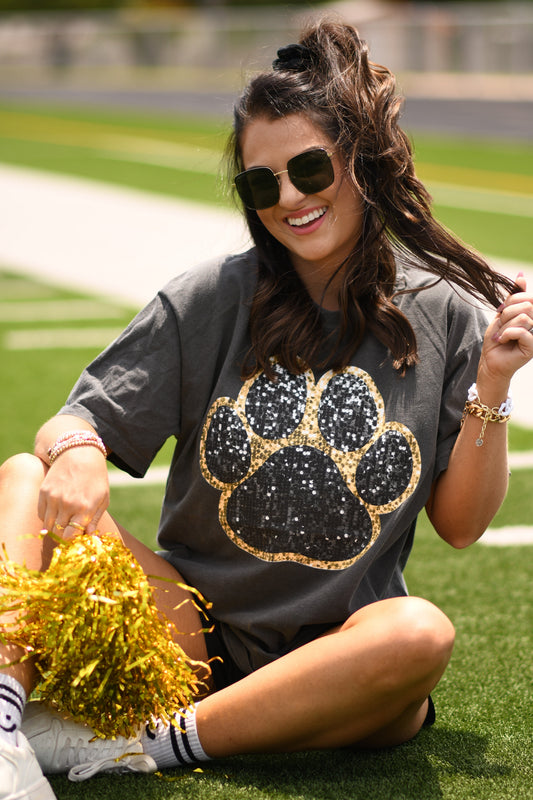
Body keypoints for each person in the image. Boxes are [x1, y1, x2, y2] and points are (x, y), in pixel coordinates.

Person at [2, 17, 533, 800]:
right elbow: (71, 422)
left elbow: (459, 526)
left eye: (308, 169)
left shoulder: (445, 313)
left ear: (360, 162)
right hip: (184, 634)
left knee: (419, 634)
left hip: (335, 651)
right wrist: (76, 449)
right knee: (21, 476)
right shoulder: (212, 296)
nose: (287, 198)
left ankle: (153, 745)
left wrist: (491, 387)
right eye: (261, 183)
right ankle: (6, 732)